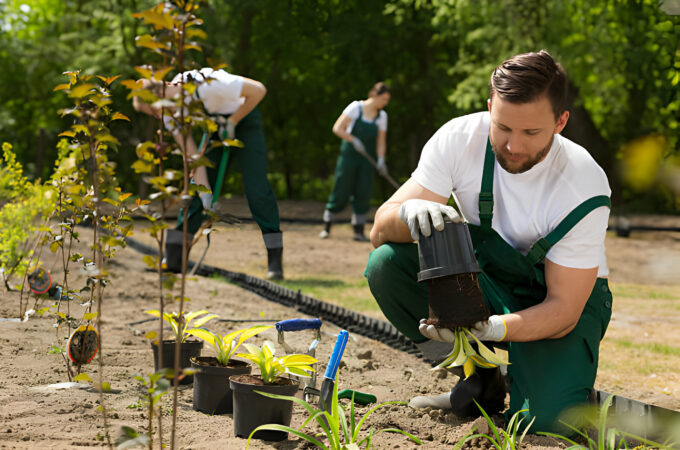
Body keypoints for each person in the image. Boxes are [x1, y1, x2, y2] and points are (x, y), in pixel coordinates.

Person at [364, 50, 612, 434]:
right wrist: (408, 213)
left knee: (545, 425)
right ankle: (477, 377)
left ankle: (560, 385)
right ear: (489, 107)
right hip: (489, 281)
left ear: (561, 121)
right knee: (385, 265)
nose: (513, 146)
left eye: (531, 133)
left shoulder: (582, 184)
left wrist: (495, 329)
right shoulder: (459, 139)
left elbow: (563, 310)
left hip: (562, 303)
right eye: (503, 127)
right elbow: (379, 230)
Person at [132, 68, 284, 279]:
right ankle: (174, 258)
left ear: (160, 95)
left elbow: (258, 90)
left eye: (156, 111)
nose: (160, 117)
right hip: (214, 128)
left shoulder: (209, 84)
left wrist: (232, 121)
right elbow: (194, 157)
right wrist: (206, 199)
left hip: (245, 120)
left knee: (256, 188)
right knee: (197, 191)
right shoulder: (170, 116)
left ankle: (274, 261)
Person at [319, 82, 391, 241]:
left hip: (367, 159)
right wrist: (353, 140)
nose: (385, 103)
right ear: (374, 95)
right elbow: (337, 128)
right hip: (349, 156)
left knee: (363, 191)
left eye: (387, 100)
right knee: (341, 188)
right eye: (384, 99)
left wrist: (380, 160)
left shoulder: (382, 116)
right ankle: (327, 226)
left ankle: (358, 231)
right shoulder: (355, 108)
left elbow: (381, 141)